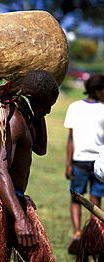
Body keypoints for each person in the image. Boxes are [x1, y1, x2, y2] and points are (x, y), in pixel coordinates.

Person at [0, 70, 59, 261]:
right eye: (45, 106)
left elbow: (40, 148)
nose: (47, 111)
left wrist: (39, 112)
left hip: (13, 198)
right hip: (0, 200)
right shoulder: (13, 119)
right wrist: (21, 219)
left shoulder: (26, 116)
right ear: (30, 98)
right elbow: (0, 170)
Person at [64, 73, 104, 255]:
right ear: (97, 90)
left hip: (79, 160)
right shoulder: (103, 110)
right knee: (95, 198)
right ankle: (94, 234)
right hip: (98, 163)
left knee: (76, 197)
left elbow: (71, 137)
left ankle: (78, 232)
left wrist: (68, 163)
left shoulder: (74, 107)